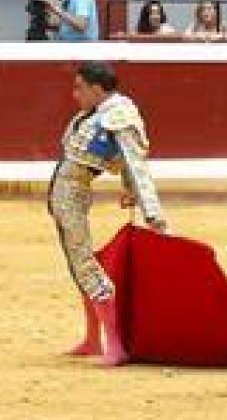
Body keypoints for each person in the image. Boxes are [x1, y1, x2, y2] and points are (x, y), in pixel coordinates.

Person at [48, 61, 169, 367]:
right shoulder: (96, 113)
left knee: (86, 266)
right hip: (65, 197)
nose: (75, 94)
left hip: (72, 197)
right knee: (79, 266)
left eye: (80, 88)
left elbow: (136, 164)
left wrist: (153, 214)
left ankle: (115, 346)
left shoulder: (118, 115)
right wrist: (128, 186)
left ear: (96, 88)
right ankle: (92, 339)